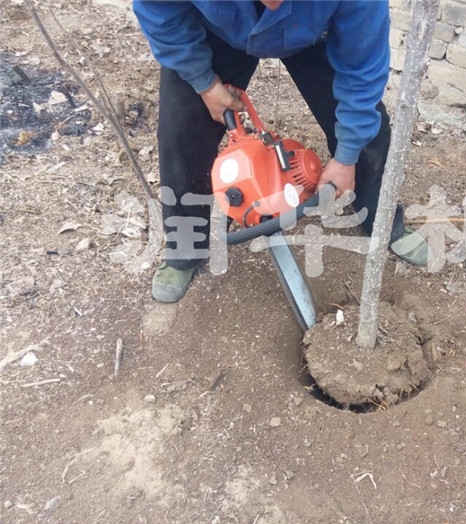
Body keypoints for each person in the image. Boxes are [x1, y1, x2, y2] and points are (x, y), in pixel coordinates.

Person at [134, 0, 429, 303]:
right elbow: (158, 9)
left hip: (312, 36)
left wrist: (347, 156)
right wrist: (204, 83)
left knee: (370, 136)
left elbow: (362, 68)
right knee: (181, 132)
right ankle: (185, 250)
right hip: (217, 31)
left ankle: (384, 222)